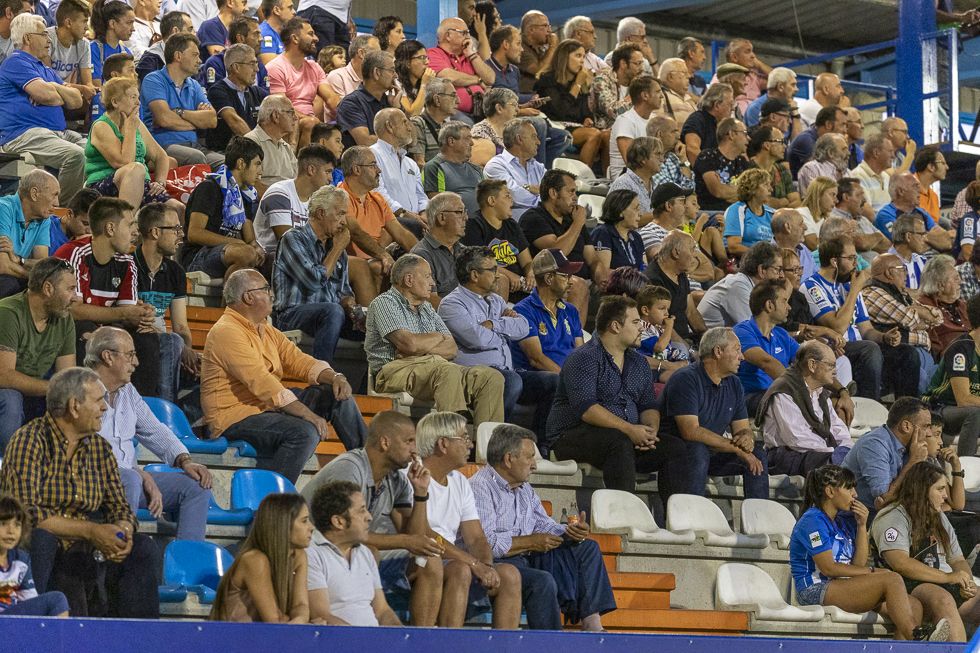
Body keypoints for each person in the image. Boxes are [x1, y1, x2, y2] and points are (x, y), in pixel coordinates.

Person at [0, 366, 159, 618]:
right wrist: (91, 531)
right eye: (98, 401)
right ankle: (34, 625)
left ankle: (139, 635)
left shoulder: (101, 449)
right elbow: (27, 514)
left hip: (87, 546)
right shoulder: (29, 440)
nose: (105, 408)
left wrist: (122, 533)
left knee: (142, 548)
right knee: (42, 539)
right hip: (48, 544)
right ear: (74, 407)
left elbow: (119, 508)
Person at [202, 268, 367, 482]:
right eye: (265, 289)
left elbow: (299, 360)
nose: (272, 294)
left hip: (268, 409)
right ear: (248, 297)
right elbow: (263, 383)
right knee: (304, 432)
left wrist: (335, 376)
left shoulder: (266, 329)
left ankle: (371, 468)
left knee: (335, 395)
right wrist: (307, 414)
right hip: (234, 419)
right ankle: (275, 497)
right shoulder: (226, 331)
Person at [299, 412, 447, 626]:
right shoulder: (350, 468)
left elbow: (414, 536)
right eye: (409, 441)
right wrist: (406, 541)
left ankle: (420, 638)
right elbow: (343, 531)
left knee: (430, 561)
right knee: (369, 552)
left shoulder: (397, 479)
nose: (415, 450)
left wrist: (421, 493)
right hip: (319, 550)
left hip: (356, 548)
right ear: (385, 443)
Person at [469, 424, 616, 631]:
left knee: (587, 547)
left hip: (527, 556)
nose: (534, 466)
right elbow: (486, 544)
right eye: (530, 458)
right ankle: (551, 642)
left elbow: (543, 524)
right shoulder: (480, 487)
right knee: (543, 581)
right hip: (497, 563)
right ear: (509, 459)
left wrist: (570, 532)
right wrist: (531, 542)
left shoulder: (524, 488)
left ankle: (593, 624)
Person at [548, 295, 687, 498]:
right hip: (572, 435)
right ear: (615, 326)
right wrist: (630, 430)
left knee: (675, 448)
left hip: (624, 436)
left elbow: (648, 405)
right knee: (619, 442)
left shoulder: (639, 363)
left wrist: (649, 431)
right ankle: (624, 511)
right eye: (636, 322)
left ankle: (675, 515)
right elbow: (587, 409)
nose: (642, 328)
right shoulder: (584, 357)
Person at [85, 327, 212, 541]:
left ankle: (187, 558)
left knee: (196, 486)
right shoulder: (82, 390)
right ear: (108, 356)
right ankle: (120, 549)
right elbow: (84, 451)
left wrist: (185, 461)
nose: (136, 362)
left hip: (130, 479)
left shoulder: (128, 392)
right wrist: (139, 474)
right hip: (93, 481)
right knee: (130, 479)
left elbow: (155, 430)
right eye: (130, 355)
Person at [789, 466, 936, 641]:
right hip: (814, 589)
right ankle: (916, 637)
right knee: (891, 579)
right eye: (849, 488)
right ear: (830, 491)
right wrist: (872, 571)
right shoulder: (812, 521)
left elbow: (857, 565)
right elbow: (828, 568)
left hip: (842, 585)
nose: (855, 494)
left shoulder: (842, 521)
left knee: (914, 605)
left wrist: (861, 525)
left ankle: (907, 646)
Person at [407, 412, 522, 628]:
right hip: (416, 557)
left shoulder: (459, 481)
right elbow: (424, 534)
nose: (470, 445)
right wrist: (473, 563)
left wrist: (486, 566)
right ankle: (450, 641)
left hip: (451, 559)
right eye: (465, 438)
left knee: (509, 574)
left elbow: (476, 537)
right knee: (460, 569)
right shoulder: (413, 473)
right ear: (443, 444)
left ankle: (505, 644)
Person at [365, 254, 504, 426]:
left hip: (435, 367)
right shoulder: (385, 303)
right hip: (395, 370)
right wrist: (438, 337)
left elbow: (452, 349)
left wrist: (422, 348)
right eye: (427, 276)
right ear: (409, 280)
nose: (432, 283)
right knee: (447, 371)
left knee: (490, 378)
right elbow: (409, 344)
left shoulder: (427, 309)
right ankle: (451, 436)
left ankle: (487, 442)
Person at [438, 246, 556, 441]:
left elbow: (523, 328)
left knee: (552, 382)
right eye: (492, 270)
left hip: (507, 372)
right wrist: (504, 328)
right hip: (475, 377)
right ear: (474, 275)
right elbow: (476, 339)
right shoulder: (452, 304)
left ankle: (540, 445)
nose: (498, 275)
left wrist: (494, 324)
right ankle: (494, 444)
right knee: (511, 381)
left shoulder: (497, 301)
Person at [55, 198, 162, 398]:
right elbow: (73, 310)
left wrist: (141, 315)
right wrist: (123, 314)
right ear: (110, 228)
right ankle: (86, 401)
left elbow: (128, 314)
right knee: (85, 331)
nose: (135, 232)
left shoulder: (127, 262)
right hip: (71, 329)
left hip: (107, 329)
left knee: (147, 338)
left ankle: (140, 406)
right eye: (129, 225)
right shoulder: (74, 254)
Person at [871, 462, 980, 643]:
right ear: (922, 489)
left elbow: (957, 559)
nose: (946, 496)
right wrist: (948, 577)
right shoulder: (893, 515)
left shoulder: (938, 516)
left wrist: (967, 583)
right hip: (900, 583)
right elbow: (900, 563)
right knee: (943, 600)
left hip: (936, 579)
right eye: (940, 489)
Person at [658, 327, 769, 498]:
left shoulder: (734, 383)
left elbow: (742, 428)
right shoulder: (685, 378)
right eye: (737, 350)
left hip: (712, 451)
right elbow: (690, 431)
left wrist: (747, 438)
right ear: (718, 351)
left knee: (757, 453)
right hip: (680, 453)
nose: (742, 357)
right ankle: (691, 511)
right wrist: (738, 450)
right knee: (698, 450)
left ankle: (758, 513)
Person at [0, 13, 85, 205]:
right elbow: (45, 95)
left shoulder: (45, 70)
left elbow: (76, 101)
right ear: (27, 38)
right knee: (75, 155)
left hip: (58, 134)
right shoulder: (16, 62)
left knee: (95, 150)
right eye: (44, 34)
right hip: (25, 134)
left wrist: (53, 87)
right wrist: (55, 92)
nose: (49, 39)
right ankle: (61, 211)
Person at [272, 184, 360, 364]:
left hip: (330, 315)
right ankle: (322, 374)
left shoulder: (337, 249)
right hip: (291, 315)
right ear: (321, 213)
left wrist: (352, 308)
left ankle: (369, 381)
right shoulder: (293, 238)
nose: (344, 222)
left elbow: (344, 292)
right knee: (332, 311)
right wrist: (337, 249)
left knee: (377, 325)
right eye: (340, 214)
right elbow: (313, 281)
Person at [803, 237, 897, 401]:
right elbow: (838, 327)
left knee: (906, 353)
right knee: (869, 349)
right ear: (834, 261)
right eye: (851, 258)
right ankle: (869, 405)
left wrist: (884, 337)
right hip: (836, 347)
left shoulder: (849, 284)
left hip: (860, 346)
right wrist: (854, 290)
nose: (856, 263)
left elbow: (866, 330)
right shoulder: (812, 287)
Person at [0, 258, 77, 453]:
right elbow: (4, 376)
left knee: (71, 400)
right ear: (48, 289)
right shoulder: (8, 313)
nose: (75, 297)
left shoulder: (64, 319)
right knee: (11, 401)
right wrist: (53, 387)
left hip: (34, 391)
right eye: (70, 289)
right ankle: (10, 464)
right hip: (6, 390)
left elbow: (67, 376)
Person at [306, 480, 403, 626]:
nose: (369, 517)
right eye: (361, 510)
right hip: (340, 639)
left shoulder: (365, 553)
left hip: (372, 638)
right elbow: (322, 616)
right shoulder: (312, 554)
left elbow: (382, 610)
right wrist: (361, 638)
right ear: (338, 521)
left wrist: (402, 635)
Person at [210, 493, 315, 623]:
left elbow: (300, 605)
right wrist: (303, 624)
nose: (311, 527)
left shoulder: (299, 556)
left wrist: (300, 619)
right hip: (233, 634)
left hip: (266, 634)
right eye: (304, 521)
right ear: (283, 524)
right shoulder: (254, 560)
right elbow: (274, 621)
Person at [757, 340, 854, 476]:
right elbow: (797, 438)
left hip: (819, 452)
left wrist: (846, 448)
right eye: (831, 365)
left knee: (855, 458)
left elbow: (838, 428)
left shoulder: (821, 392)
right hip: (787, 455)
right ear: (812, 365)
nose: (835, 371)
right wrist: (833, 452)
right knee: (838, 466)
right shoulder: (784, 391)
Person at [134, 203, 198, 403]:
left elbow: (181, 326)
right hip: (136, 339)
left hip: (166, 345)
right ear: (155, 232)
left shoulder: (175, 271)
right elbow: (138, 321)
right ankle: (164, 412)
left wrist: (188, 352)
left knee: (207, 367)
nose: (181, 235)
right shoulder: (129, 265)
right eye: (175, 229)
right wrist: (179, 345)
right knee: (172, 342)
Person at [84, 77, 178, 213]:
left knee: (177, 208)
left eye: (138, 97)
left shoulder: (136, 124)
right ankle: (126, 221)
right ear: (115, 102)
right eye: (133, 97)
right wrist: (130, 130)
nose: (138, 102)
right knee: (136, 168)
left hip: (141, 183)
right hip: (104, 185)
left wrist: (160, 182)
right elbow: (124, 163)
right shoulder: (102, 126)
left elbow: (160, 156)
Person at [337, 146, 417, 305]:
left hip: (375, 257)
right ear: (356, 169)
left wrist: (424, 257)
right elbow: (356, 233)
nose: (379, 170)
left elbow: (401, 234)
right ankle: (376, 316)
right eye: (373, 165)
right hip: (347, 263)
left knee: (412, 266)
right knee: (380, 266)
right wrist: (383, 255)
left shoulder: (377, 199)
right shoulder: (340, 196)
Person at [484, 25, 570, 168]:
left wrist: (531, 100)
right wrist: (522, 111)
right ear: (505, 44)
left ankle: (540, 170)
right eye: (518, 44)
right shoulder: (487, 69)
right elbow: (493, 107)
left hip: (516, 114)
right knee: (538, 124)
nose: (522, 49)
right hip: (502, 120)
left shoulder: (514, 70)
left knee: (563, 137)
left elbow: (515, 97)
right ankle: (537, 174)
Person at [182, 136, 264, 281]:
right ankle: (232, 296)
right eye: (257, 164)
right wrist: (236, 243)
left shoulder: (243, 195)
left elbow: (250, 238)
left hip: (228, 252)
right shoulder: (209, 188)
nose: (260, 172)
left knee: (270, 260)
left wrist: (257, 248)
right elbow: (194, 234)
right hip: (197, 255)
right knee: (245, 254)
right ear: (241, 163)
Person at [519, 169, 595, 320]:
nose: (575, 197)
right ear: (553, 193)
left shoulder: (572, 218)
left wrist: (602, 274)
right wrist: (578, 223)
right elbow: (556, 254)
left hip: (582, 279)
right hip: (549, 280)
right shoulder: (533, 218)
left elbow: (592, 257)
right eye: (571, 192)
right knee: (578, 285)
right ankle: (569, 334)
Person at [861, 252, 941, 396]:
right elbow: (908, 317)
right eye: (902, 269)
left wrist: (917, 314)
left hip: (924, 354)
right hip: (905, 353)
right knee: (926, 385)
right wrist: (919, 316)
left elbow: (935, 317)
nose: (906, 274)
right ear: (889, 273)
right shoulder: (872, 292)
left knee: (946, 375)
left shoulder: (899, 292)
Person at [140, 33, 221, 167]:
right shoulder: (153, 80)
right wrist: (197, 123)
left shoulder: (194, 85)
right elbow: (164, 119)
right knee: (196, 157)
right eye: (195, 55)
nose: (200, 60)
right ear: (178, 56)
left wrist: (180, 112)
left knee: (227, 163)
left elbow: (212, 120)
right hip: (163, 147)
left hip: (195, 146)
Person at [842, 397, 931, 516]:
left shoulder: (912, 448)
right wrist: (913, 462)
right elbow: (884, 500)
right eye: (925, 426)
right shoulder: (874, 444)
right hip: (856, 519)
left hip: (891, 515)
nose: (929, 433)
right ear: (906, 426)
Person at [509, 248, 584, 381]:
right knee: (554, 381)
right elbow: (536, 359)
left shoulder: (571, 311)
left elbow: (580, 354)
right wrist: (569, 381)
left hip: (568, 380)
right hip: (538, 379)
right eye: (565, 276)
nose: (571, 281)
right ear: (549, 278)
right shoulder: (523, 311)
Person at [254, 143, 336, 258]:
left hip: (304, 257)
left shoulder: (316, 201)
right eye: (327, 172)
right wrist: (336, 249)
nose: (331, 178)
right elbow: (289, 244)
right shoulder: (279, 193)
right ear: (311, 170)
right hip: (274, 258)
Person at [533, 39, 604, 169]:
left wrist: (587, 118)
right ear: (564, 57)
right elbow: (561, 111)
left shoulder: (579, 82)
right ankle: (581, 175)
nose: (582, 61)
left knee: (607, 136)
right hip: (555, 125)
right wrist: (577, 85)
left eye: (583, 57)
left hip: (575, 126)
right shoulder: (548, 80)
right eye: (578, 56)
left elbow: (585, 110)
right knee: (593, 134)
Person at [923, 295, 980, 457]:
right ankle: (965, 465)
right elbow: (964, 399)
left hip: (971, 409)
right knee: (975, 413)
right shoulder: (961, 349)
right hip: (940, 408)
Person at [266, 18, 338, 144]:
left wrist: (351, 115)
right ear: (295, 38)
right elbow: (281, 107)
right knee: (310, 124)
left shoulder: (314, 67)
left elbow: (332, 98)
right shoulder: (275, 67)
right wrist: (312, 121)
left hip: (310, 122)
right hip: (285, 123)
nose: (316, 38)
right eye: (310, 34)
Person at [461, 180, 532, 306]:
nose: (512, 200)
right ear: (492, 201)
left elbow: (527, 261)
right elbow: (479, 263)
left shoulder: (512, 225)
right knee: (501, 280)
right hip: (492, 288)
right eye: (507, 196)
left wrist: (530, 274)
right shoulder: (474, 225)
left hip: (521, 288)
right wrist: (510, 276)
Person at [0, 496, 70, 617]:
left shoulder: (21, 559)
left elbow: (30, 601)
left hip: (10, 620)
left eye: (17, 525)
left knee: (57, 600)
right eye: (3, 524)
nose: (11, 531)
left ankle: (60, 631)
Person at [0, 170, 61, 298]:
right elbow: (3, 265)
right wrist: (38, 279)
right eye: (54, 195)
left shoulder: (44, 219)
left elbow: (41, 264)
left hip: (15, 277)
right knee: (9, 284)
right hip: (6, 281)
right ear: (34, 194)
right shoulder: (3, 208)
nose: (57, 203)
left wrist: (19, 260)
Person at [698, 242, 783, 329]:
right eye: (778, 269)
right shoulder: (737, 286)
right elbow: (755, 329)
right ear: (761, 270)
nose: (781, 275)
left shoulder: (747, 285)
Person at [205, 42, 269, 153]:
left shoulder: (258, 92)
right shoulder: (217, 91)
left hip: (252, 152)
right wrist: (261, 151)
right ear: (236, 67)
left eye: (256, 63)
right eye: (252, 64)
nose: (257, 69)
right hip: (225, 153)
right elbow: (234, 122)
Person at [427, 17, 494, 120]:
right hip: (453, 112)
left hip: (481, 110)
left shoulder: (469, 55)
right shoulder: (433, 53)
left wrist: (472, 54)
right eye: (464, 33)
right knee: (466, 124)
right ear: (448, 35)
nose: (468, 37)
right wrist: (478, 79)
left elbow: (490, 79)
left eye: (468, 33)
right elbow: (449, 77)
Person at [372, 107, 428, 226]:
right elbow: (376, 192)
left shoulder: (410, 163)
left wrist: (424, 213)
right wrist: (403, 214)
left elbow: (420, 195)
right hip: (389, 226)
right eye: (404, 122)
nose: (410, 128)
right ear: (389, 126)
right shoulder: (372, 155)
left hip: (417, 224)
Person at [646, 231, 705, 340]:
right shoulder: (653, 280)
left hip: (687, 338)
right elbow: (662, 324)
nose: (694, 255)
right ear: (676, 253)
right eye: (692, 249)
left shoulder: (680, 274)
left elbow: (690, 312)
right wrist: (687, 348)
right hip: (669, 343)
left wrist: (707, 337)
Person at [482, 117, 544, 221]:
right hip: (515, 225)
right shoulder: (496, 166)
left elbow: (555, 194)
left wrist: (525, 188)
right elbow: (514, 196)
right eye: (534, 137)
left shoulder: (539, 167)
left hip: (544, 222)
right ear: (519, 139)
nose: (538, 142)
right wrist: (545, 200)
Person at [409, 192, 466, 304]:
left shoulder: (464, 250)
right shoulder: (421, 255)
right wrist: (464, 312)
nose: (466, 218)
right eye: (459, 212)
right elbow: (431, 301)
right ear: (441, 218)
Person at [335, 49, 396, 148]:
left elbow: (412, 140)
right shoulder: (351, 103)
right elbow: (366, 141)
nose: (395, 76)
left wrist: (396, 109)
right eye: (391, 71)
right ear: (377, 72)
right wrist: (399, 138)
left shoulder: (390, 101)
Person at [424, 121, 483, 219]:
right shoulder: (435, 167)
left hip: (482, 224)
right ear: (451, 141)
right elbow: (439, 206)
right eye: (467, 138)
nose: (472, 143)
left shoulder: (476, 169)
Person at [692, 117, 751, 212]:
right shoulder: (708, 156)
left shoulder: (742, 162)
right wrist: (742, 192)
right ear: (731, 134)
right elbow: (718, 191)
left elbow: (751, 195)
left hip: (737, 213)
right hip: (711, 213)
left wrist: (731, 191)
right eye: (745, 133)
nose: (748, 138)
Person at [607, 74, 660, 179]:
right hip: (626, 178)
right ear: (645, 96)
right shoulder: (625, 121)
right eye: (658, 92)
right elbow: (632, 163)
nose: (662, 96)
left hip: (650, 173)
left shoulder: (655, 120)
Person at [591, 189, 646, 288]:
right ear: (620, 211)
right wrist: (635, 281)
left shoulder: (636, 237)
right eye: (636, 209)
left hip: (636, 288)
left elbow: (644, 267)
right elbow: (603, 274)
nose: (640, 214)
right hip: (613, 290)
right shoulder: (603, 233)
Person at [46, 0, 97, 108]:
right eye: (84, 22)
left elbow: (88, 82)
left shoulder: (84, 44)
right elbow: (48, 80)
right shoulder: (46, 39)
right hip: (48, 94)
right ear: (68, 23)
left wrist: (91, 89)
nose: (87, 27)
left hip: (67, 95)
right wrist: (81, 88)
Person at [918, 255, 971, 356]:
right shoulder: (924, 308)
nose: (960, 281)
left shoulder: (963, 305)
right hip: (953, 359)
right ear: (941, 285)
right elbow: (936, 350)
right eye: (956, 278)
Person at [244, 94, 298, 192]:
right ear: (275, 116)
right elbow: (252, 185)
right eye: (291, 113)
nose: (295, 118)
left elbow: (297, 180)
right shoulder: (251, 142)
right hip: (270, 199)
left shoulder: (285, 146)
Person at [589, 43, 645, 132]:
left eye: (642, 63)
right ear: (623, 64)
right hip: (606, 130)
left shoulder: (638, 82)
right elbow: (613, 112)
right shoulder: (601, 81)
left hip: (632, 129)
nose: (642, 68)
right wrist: (634, 96)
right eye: (637, 64)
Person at [723, 167, 774, 257]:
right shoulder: (737, 210)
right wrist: (764, 256)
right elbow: (734, 247)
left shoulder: (772, 213)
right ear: (752, 188)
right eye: (766, 185)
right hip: (745, 260)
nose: (771, 189)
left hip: (768, 260)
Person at [407, 76, 458, 164]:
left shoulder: (448, 127)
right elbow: (419, 163)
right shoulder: (418, 124)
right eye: (453, 95)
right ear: (437, 99)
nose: (458, 101)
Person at [747, 126, 799, 210]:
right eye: (781, 142)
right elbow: (756, 202)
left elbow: (796, 200)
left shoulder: (782, 169)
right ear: (767, 145)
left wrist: (777, 208)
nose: (785, 146)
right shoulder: (748, 170)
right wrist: (781, 202)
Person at [681, 83, 734, 163]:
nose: (733, 109)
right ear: (717, 105)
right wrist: (708, 169)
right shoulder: (697, 120)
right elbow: (692, 149)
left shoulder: (722, 125)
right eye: (730, 104)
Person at [787, 105, 844, 179]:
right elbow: (819, 172)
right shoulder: (806, 140)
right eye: (842, 125)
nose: (845, 130)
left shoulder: (822, 140)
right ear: (828, 125)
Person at [135, 10, 193, 82]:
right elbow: (151, 88)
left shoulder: (189, 54)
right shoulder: (150, 60)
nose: (194, 34)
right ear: (175, 31)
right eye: (189, 30)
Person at [745, 67, 801, 134]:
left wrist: (796, 115)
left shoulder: (790, 106)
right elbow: (762, 139)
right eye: (793, 85)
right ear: (780, 87)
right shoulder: (756, 108)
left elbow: (798, 140)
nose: (797, 89)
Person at [89, 0, 134, 85]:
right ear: (112, 23)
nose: (133, 29)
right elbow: (96, 87)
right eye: (129, 23)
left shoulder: (126, 52)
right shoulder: (93, 49)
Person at [850, 132, 895, 213]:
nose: (893, 156)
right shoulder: (858, 177)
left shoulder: (886, 176)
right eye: (890, 151)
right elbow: (867, 213)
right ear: (876, 153)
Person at [517, 10, 557, 95]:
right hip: (527, 97)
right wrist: (552, 46)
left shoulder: (540, 49)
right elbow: (538, 72)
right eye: (545, 26)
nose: (550, 30)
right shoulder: (520, 47)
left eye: (549, 26)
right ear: (531, 29)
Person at [394, 38, 435, 118]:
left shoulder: (424, 82)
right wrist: (424, 85)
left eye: (427, 58)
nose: (427, 62)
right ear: (407, 63)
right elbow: (411, 114)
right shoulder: (396, 83)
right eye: (422, 58)